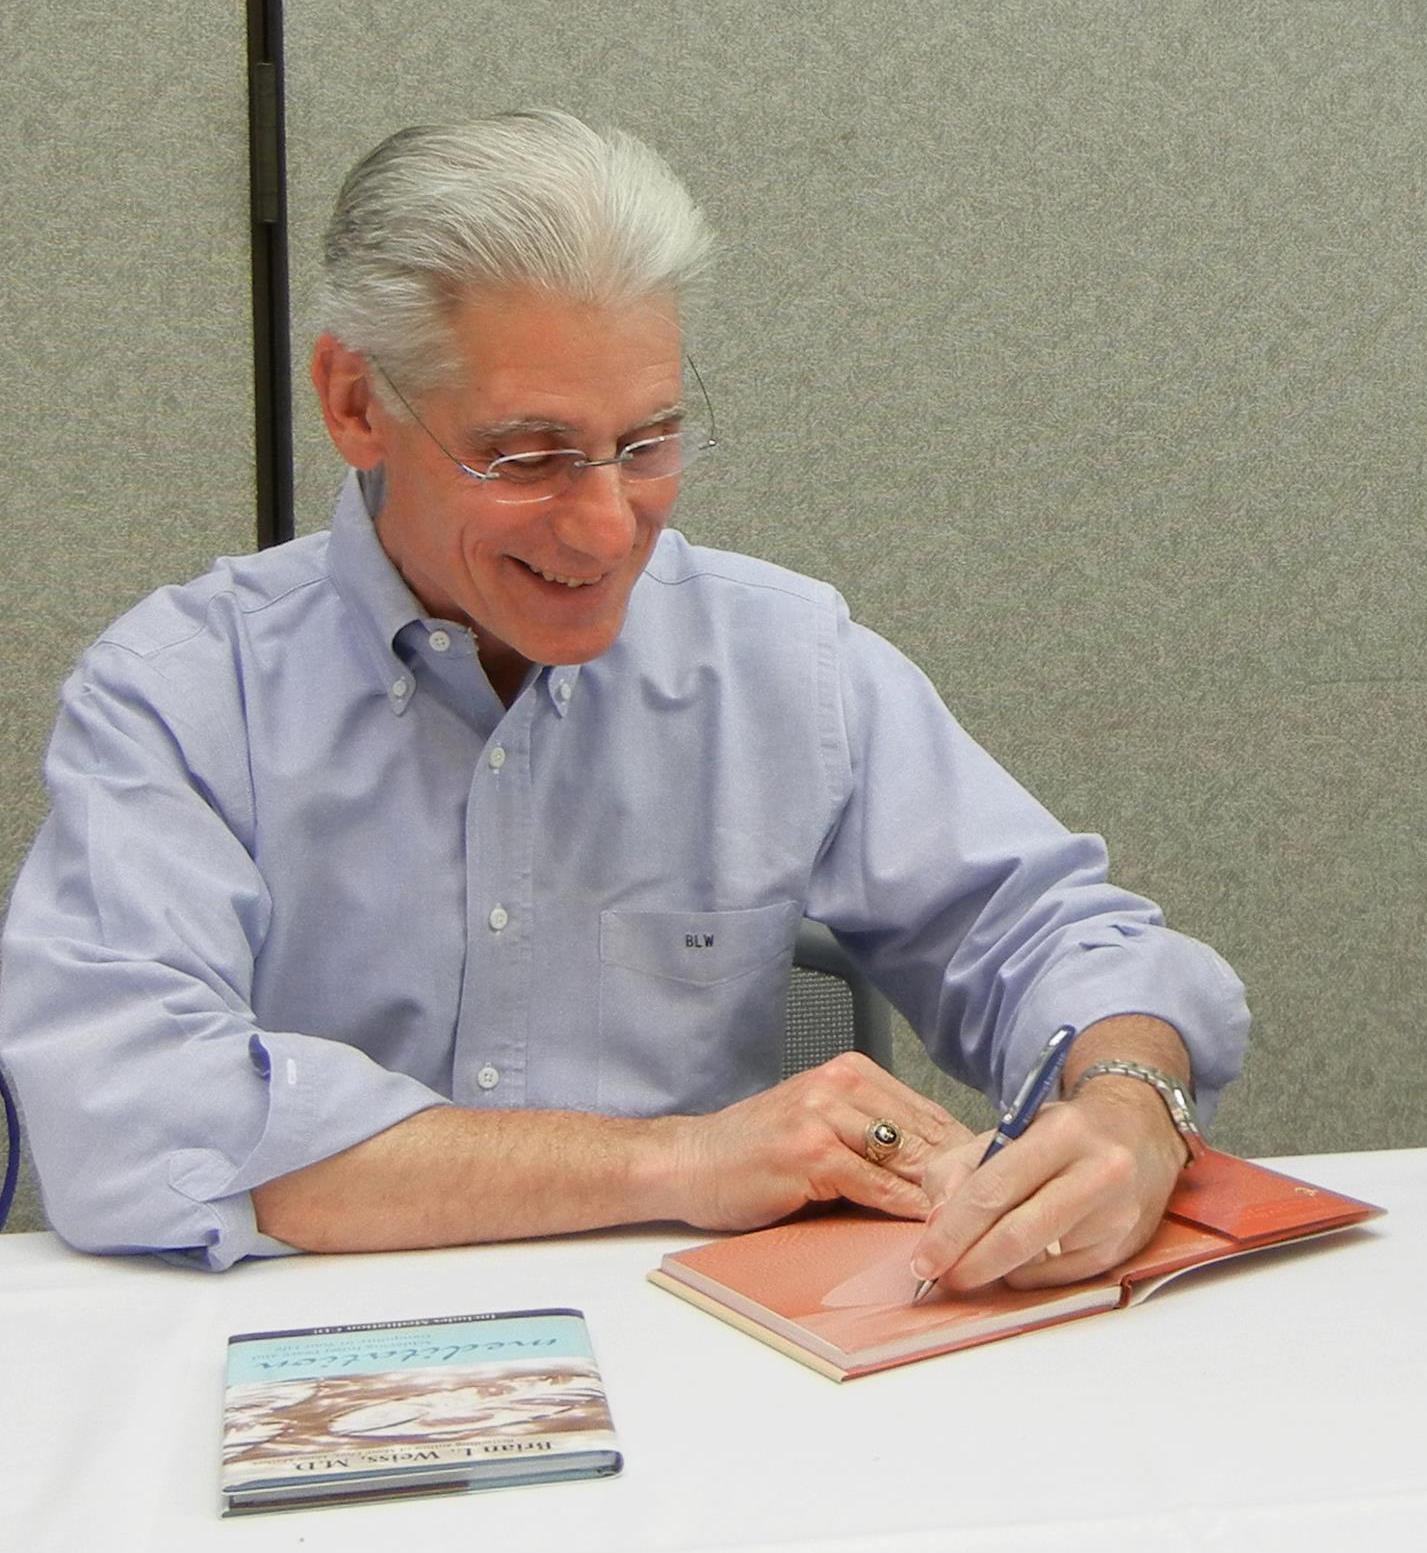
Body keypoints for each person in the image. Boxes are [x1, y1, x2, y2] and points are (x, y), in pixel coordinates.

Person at [0, 110, 1247, 1279]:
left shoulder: (778, 657)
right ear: (353, 402)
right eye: (527, 454)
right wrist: (677, 1157)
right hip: (313, 1371)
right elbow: (129, 1112)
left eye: (646, 443)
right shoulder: (180, 694)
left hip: (705, 1368)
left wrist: (1132, 1103)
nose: (605, 527)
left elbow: (1057, 938)